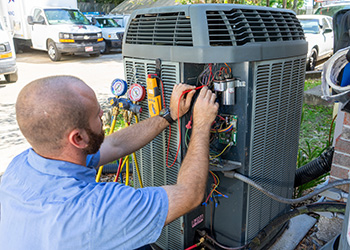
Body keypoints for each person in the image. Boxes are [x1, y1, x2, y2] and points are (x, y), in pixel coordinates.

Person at [0, 75, 218, 249]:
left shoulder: (20, 167)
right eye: (97, 115)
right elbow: (190, 194)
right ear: (78, 138)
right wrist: (201, 124)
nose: (103, 114)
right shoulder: (96, 211)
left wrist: (168, 116)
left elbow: (114, 145)